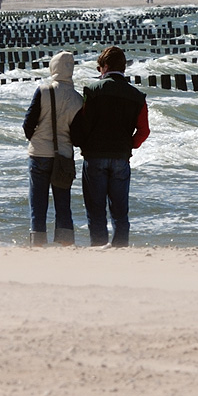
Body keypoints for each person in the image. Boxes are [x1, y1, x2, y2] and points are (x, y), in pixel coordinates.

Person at [71, 46, 149, 247]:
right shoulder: (138, 96)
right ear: (123, 68)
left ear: (105, 66)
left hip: (95, 155)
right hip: (121, 157)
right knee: (120, 211)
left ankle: (98, 247)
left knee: (96, 210)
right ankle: (120, 248)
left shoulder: (92, 90)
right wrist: (130, 145)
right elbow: (143, 131)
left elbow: (84, 123)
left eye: (100, 68)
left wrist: (81, 143)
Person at [21, 51, 83, 246]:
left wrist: (37, 139)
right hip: (63, 157)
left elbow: (28, 124)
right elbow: (78, 136)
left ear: (53, 67)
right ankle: (65, 243)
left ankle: (38, 243)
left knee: (37, 204)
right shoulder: (78, 99)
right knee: (63, 203)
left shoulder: (43, 91)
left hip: (39, 154)